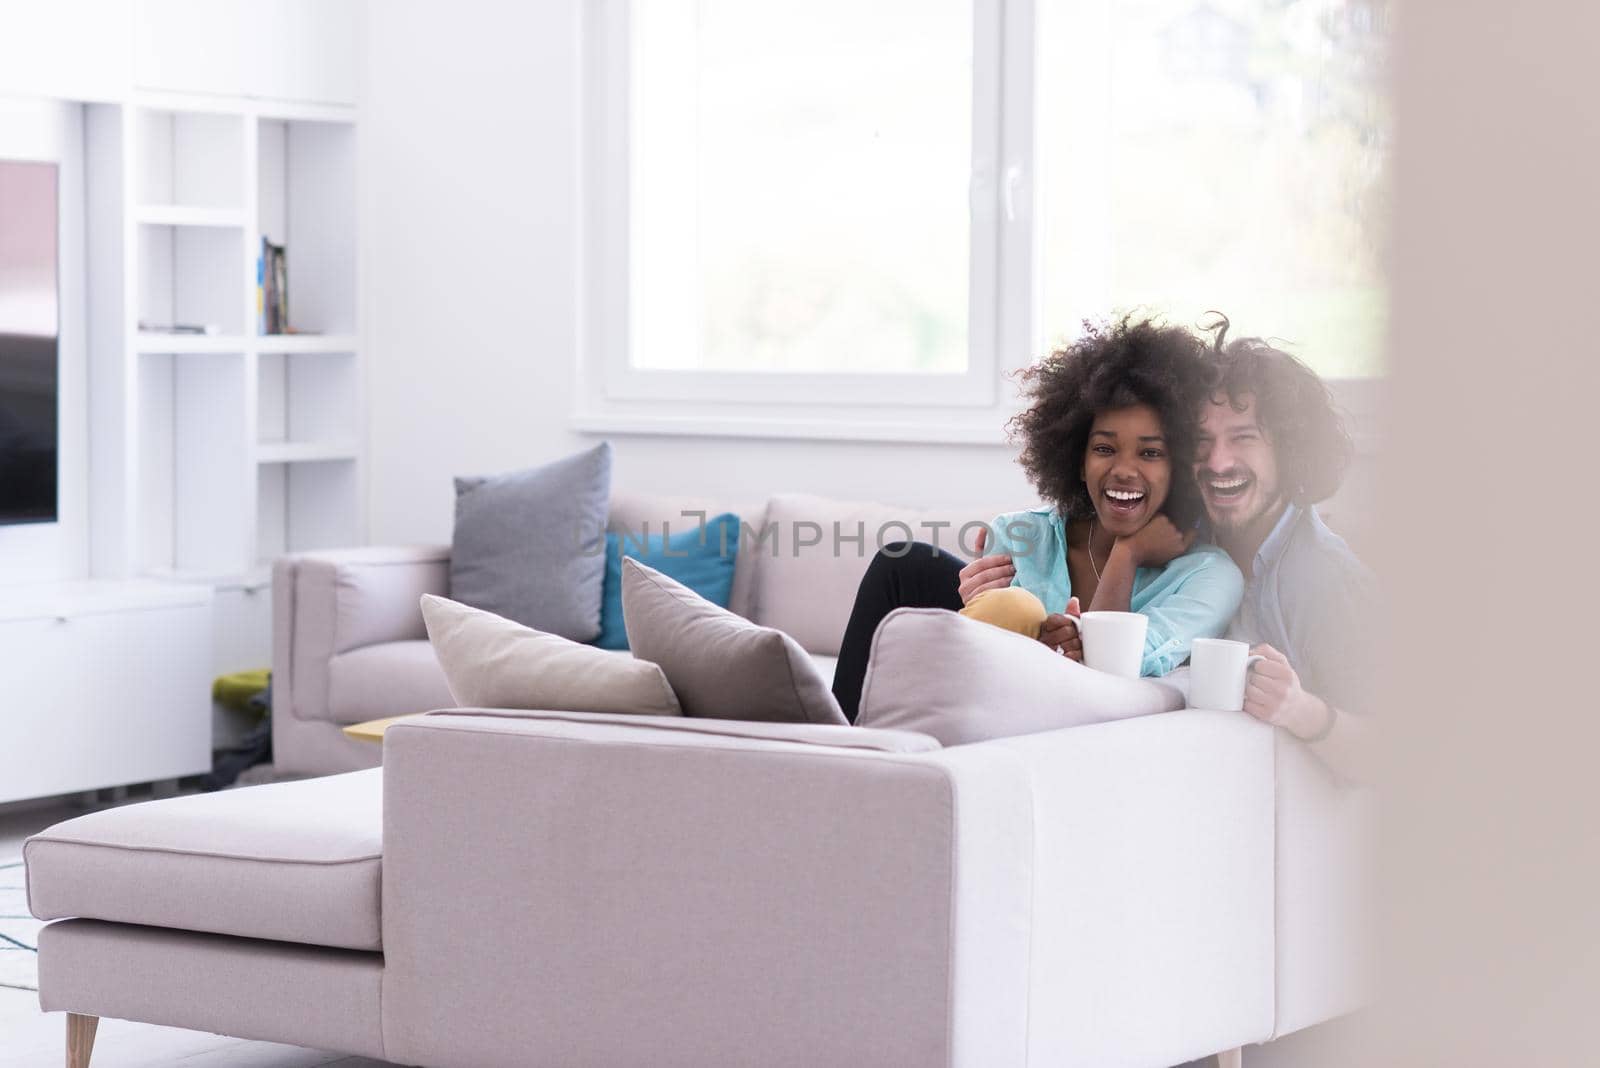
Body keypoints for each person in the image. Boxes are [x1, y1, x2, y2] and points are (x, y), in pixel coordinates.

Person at [831, 316, 1244, 723]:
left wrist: (1128, 554)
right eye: (1104, 449)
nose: (1123, 469)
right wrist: (1020, 634)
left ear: (1180, 469)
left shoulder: (1211, 575)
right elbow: (989, 655)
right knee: (904, 562)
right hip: (990, 695)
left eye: (1150, 453)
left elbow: (1112, 672)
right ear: (1078, 463)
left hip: (1063, 723)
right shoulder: (1021, 533)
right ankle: (833, 737)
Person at [1193, 320, 1375, 780]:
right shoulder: (1186, 543)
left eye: (1243, 437)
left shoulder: (1325, 578)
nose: (1218, 462)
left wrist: (1300, 710)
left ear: (1288, 450)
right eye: (1201, 442)